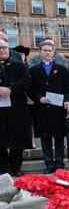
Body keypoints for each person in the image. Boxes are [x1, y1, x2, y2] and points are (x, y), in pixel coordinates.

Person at [29, 41, 69, 174]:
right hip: (41, 109)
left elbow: (66, 89)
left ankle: (59, 163)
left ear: (53, 53)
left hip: (58, 109)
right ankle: (49, 163)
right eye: (44, 50)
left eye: (49, 50)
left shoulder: (63, 69)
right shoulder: (33, 70)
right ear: (40, 52)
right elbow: (30, 89)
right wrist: (39, 98)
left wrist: (67, 101)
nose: (47, 53)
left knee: (59, 137)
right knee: (45, 138)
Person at [0, 38, 32, 177]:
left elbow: (27, 81)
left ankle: (15, 167)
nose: (2, 50)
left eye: (5, 47)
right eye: (0, 48)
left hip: (16, 109)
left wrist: (10, 88)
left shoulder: (19, 65)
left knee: (16, 139)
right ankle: (2, 168)